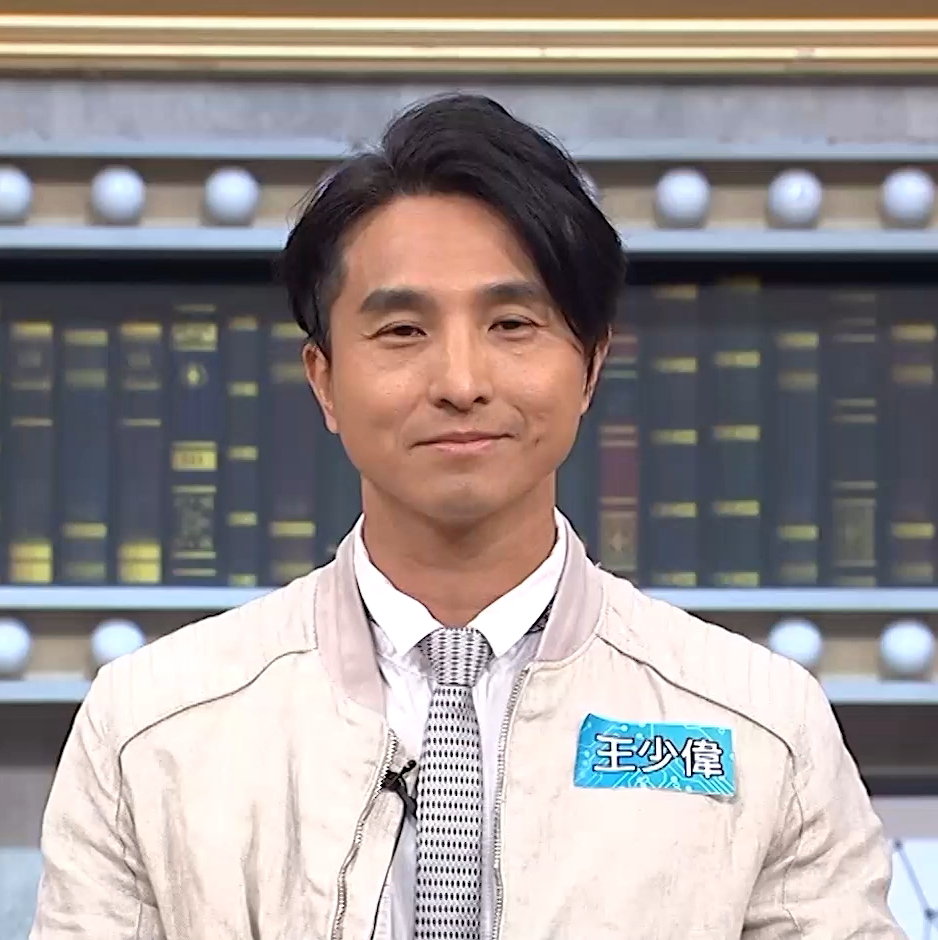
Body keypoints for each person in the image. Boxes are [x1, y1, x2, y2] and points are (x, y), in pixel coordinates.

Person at [29, 93, 905, 940]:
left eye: (512, 324)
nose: (460, 381)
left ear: (591, 367)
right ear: (324, 381)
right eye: (402, 331)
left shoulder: (761, 725)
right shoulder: (152, 727)